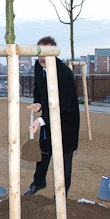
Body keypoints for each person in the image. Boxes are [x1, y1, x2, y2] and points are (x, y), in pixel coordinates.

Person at [23, 36, 80, 197]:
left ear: (54, 53)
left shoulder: (65, 74)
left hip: (66, 122)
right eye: (39, 53)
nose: (41, 58)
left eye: (46, 54)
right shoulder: (38, 65)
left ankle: (60, 195)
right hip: (48, 118)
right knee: (44, 152)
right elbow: (38, 88)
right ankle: (38, 182)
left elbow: (63, 105)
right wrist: (37, 103)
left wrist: (40, 121)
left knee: (63, 160)